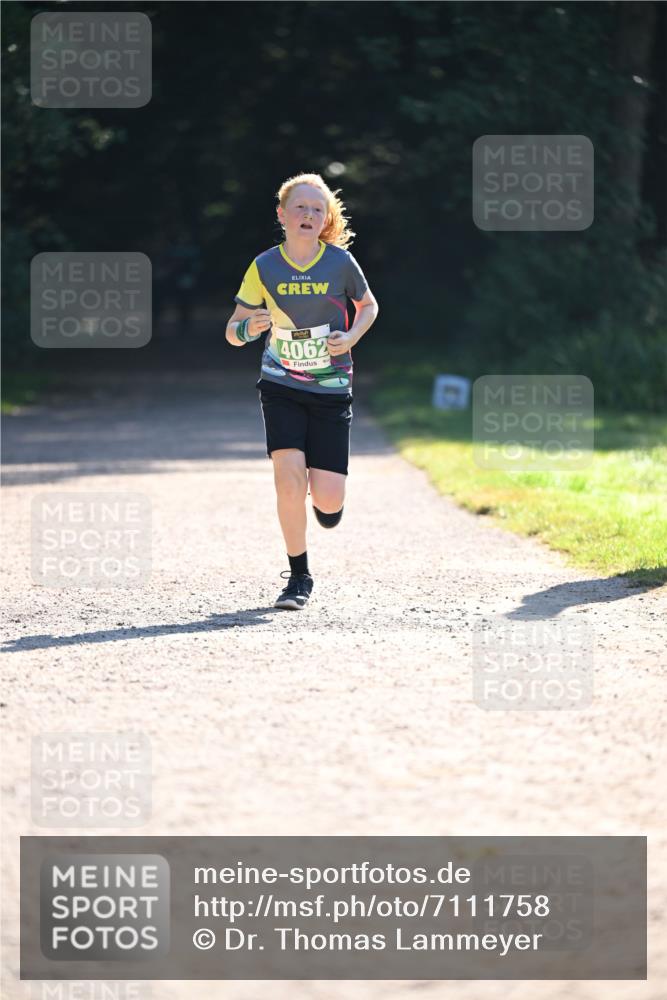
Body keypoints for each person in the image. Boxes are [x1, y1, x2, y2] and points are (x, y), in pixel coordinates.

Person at [225, 172, 379, 609]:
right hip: (281, 384)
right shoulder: (264, 267)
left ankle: (327, 505)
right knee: (288, 480)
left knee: (328, 500)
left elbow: (368, 306)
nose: (308, 215)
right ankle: (298, 576)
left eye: (317, 209)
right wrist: (247, 327)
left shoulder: (340, 263)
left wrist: (350, 338)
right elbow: (232, 333)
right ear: (282, 214)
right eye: (300, 208)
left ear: (325, 218)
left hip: (331, 387)